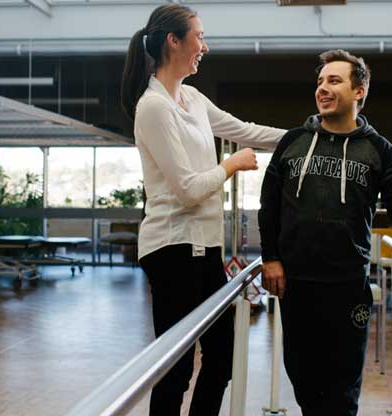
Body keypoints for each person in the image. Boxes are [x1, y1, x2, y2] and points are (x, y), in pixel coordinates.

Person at [258, 49, 392, 415]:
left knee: (343, 386)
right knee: (303, 378)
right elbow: (269, 207)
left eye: (334, 81)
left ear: (359, 91)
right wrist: (270, 258)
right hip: (296, 283)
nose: (323, 88)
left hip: (347, 285)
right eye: (320, 81)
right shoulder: (293, 142)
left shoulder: (378, 150)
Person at [120, 4, 285, 415]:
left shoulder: (191, 97)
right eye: (199, 36)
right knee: (176, 370)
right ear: (173, 41)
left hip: (204, 249)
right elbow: (189, 191)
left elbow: (243, 130)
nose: (204, 46)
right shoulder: (153, 108)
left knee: (222, 358)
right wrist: (230, 164)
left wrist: (309, 135)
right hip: (172, 249)